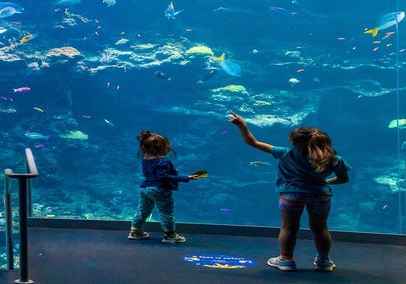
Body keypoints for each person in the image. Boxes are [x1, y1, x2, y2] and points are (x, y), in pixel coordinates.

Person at [228, 112, 350, 272]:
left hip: (291, 194)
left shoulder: (285, 153)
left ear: (294, 143)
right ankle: (323, 261)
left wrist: (242, 125)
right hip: (320, 195)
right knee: (320, 228)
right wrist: (324, 182)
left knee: (288, 227)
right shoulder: (332, 157)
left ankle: (286, 260)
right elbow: (343, 178)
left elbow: (253, 142)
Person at [130, 130, 200, 244]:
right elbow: (162, 177)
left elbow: (156, 173)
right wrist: (187, 178)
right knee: (166, 212)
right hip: (159, 189)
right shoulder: (163, 162)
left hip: (145, 188)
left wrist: (171, 172)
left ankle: (135, 231)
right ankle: (170, 235)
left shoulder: (145, 158)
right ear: (159, 148)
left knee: (142, 210)